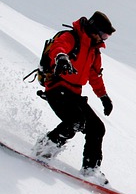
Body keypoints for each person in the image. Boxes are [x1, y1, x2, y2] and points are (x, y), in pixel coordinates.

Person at [33, 11, 116, 185]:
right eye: (103, 35)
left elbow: (95, 76)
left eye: (106, 37)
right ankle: (43, 149)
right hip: (57, 88)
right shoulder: (71, 37)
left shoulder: (94, 51)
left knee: (97, 128)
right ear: (93, 28)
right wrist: (61, 58)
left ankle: (90, 168)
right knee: (75, 121)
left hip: (74, 94)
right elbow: (58, 47)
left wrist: (104, 97)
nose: (103, 39)